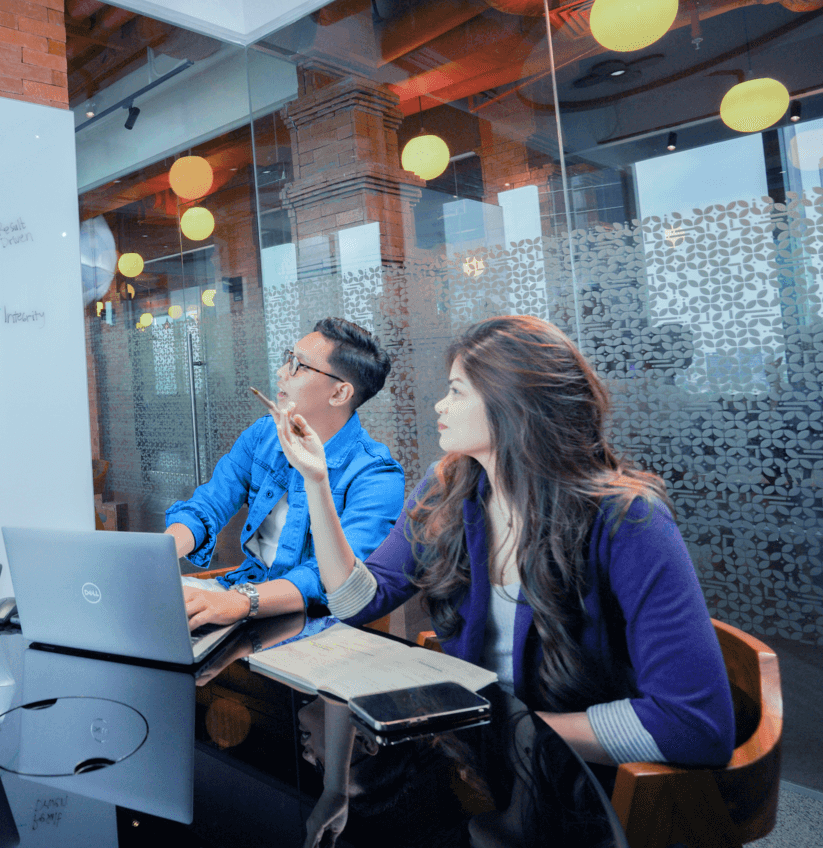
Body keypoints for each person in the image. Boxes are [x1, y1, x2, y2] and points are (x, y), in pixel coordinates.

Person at [267, 315, 734, 769]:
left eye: (456, 391)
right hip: (478, 763)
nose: (440, 406)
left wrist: (500, 730)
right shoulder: (447, 487)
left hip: (570, 775)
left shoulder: (627, 519)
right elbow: (357, 602)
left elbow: (694, 725)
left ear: (514, 405)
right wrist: (317, 480)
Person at [168, 318, 405, 630]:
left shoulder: (377, 475)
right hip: (239, 594)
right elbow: (209, 505)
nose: (281, 372)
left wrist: (240, 602)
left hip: (314, 622)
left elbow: (330, 580)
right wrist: (159, 556)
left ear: (339, 393)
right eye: (287, 358)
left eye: (298, 365)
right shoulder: (263, 435)